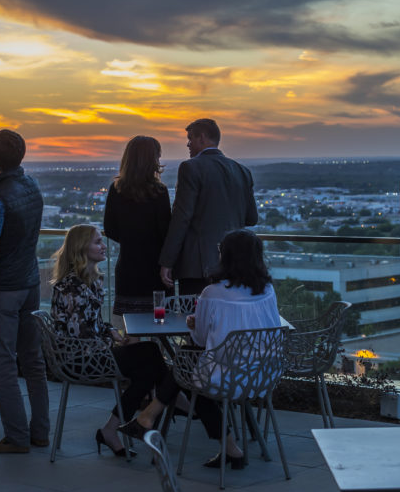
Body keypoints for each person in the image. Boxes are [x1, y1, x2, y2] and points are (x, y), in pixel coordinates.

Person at [121, 229, 282, 470]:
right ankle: (150, 418)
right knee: (189, 369)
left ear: (226, 256)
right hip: (263, 374)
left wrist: (193, 323)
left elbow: (200, 339)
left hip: (228, 377)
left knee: (189, 374)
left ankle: (150, 416)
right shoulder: (267, 289)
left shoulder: (213, 293)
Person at [50, 224, 171, 457]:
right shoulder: (73, 286)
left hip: (91, 352)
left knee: (149, 366)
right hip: (80, 358)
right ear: (81, 248)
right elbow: (80, 334)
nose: (104, 246)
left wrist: (112, 332)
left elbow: (90, 322)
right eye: (97, 242)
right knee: (151, 355)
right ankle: (175, 400)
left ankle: (111, 430)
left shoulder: (89, 280)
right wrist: (109, 338)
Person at [0, 129, 50, 454]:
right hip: (30, 283)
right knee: (33, 359)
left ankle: (16, 436)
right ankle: (40, 432)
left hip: (3, 288)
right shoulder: (33, 186)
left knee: (2, 363)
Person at [159, 119, 258, 296]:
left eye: (190, 139)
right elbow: (251, 218)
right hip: (234, 264)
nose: (188, 144)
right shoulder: (242, 171)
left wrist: (167, 261)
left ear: (202, 138)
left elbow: (182, 218)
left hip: (197, 265)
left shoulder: (190, 167)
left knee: (196, 312)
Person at [103, 136, 171, 323]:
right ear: (152, 160)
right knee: (159, 323)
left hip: (128, 266)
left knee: (131, 326)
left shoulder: (116, 190)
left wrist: (129, 239)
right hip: (155, 268)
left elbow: (109, 228)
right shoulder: (159, 191)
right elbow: (166, 231)